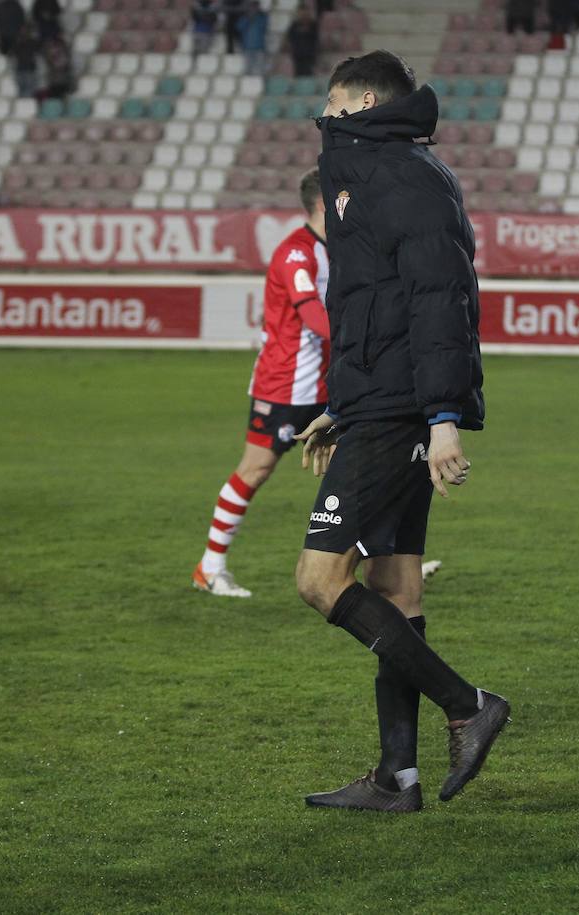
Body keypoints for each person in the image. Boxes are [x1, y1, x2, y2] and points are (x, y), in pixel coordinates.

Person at [294, 51, 507, 812]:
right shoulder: (382, 174)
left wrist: (443, 418)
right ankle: (397, 778)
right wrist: (340, 406)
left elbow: (438, 303)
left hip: (400, 411)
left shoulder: (402, 177)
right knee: (397, 587)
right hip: (379, 404)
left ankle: (468, 702)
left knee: (319, 581)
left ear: (361, 102)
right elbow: (376, 309)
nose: (325, 116)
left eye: (333, 104)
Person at [192, 170, 332, 597]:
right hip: (284, 385)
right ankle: (210, 567)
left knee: (363, 469)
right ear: (326, 204)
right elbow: (314, 317)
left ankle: (394, 568)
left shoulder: (339, 248)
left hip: (327, 385)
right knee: (255, 469)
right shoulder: (296, 253)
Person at [285, 8, 318, 77]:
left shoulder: (313, 25)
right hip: (297, 55)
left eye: (306, 13)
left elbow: (316, 39)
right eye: (302, 13)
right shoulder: (294, 25)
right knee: (298, 75)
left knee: (308, 75)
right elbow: (290, 37)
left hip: (309, 56)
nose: (304, 15)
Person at [238, 1, 269, 76]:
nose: (253, 9)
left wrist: (255, 18)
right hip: (247, 47)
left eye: (255, 7)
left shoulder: (262, 17)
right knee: (248, 70)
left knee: (260, 70)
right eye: (252, 7)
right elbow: (239, 27)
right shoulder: (245, 17)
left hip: (259, 47)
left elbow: (263, 27)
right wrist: (248, 19)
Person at [13, 25, 40, 98]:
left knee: (29, 93)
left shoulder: (32, 42)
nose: (23, 32)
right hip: (20, 70)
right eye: (22, 30)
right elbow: (14, 53)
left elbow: (37, 50)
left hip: (30, 70)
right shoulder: (17, 42)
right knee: (21, 93)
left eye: (25, 30)